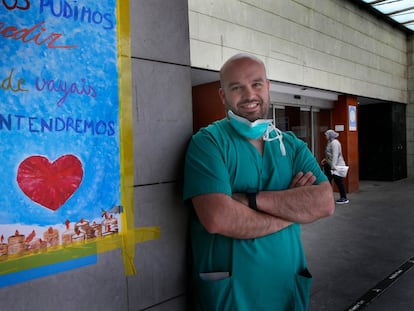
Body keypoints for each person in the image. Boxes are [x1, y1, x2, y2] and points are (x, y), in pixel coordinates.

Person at [183, 53, 335, 310]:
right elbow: (219, 218)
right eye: (236, 87)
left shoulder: (292, 145)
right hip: (234, 293)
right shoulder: (208, 143)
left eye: (256, 84)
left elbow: (324, 202)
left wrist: (249, 200)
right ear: (223, 96)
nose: (249, 94)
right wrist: (293, 210)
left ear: (267, 87)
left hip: (287, 287)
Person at [321, 129, 349, 204]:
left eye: (326, 135)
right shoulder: (330, 142)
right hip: (329, 164)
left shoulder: (335, 143)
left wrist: (333, 166)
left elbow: (335, 155)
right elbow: (330, 154)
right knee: (327, 181)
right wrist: (325, 160)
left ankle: (344, 197)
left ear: (330, 135)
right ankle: (327, 198)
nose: (325, 136)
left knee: (338, 181)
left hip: (335, 166)